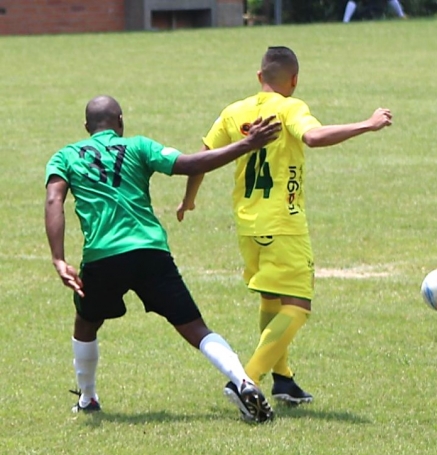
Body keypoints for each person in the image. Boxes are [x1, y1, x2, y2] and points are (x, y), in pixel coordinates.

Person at [45, 95, 282, 422]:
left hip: (103, 255)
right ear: (121, 122)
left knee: (86, 323)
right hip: (150, 251)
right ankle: (242, 380)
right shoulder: (139, 147)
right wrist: (246, 144)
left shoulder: (66, 156)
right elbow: (191, 164)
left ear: (87, 128)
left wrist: (59, 258)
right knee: (195, 328)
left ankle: (88, 398)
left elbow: (53, 200)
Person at [177, 46, 392, 405]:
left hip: (247, 224)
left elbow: (201, 158)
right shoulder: (291, 107)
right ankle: (245, 380)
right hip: (283, 223)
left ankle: (284, 379)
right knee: (298, 305)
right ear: (293, 80)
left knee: (271, 299)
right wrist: (367, 124)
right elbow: (313, 137)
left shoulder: (234, 111)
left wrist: (189, 199)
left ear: (260, 77)